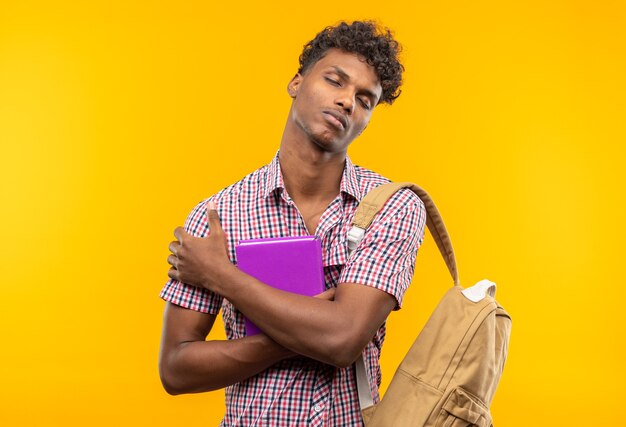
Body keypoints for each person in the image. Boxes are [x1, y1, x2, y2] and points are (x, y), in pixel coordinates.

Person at [159, 20, 427, 426]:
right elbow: (176, 368)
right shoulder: (218, 215)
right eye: (335, 81)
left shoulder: (394, 206)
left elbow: (341, 340)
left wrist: (221, 275)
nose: (346, 102)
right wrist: (299, 334)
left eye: (364, 99)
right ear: (296, 82)